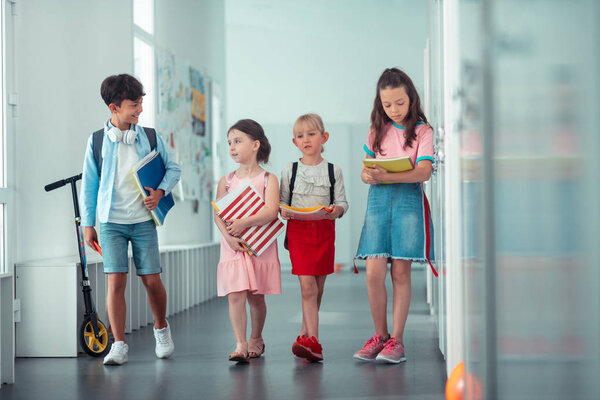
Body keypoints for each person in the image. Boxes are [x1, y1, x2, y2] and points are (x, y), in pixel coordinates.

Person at [80, 74, 181, 365]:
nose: (139, 110)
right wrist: (89, 224)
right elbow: (90, 184)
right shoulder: (97, 141)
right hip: (111, 221)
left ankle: (161, 329)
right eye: (133, 105)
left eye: (140, 103)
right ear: (114, 108)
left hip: (143, 220)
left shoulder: (149, 136)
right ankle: (119, 344)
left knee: (151, 280)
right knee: (116, 283)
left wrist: (160, 192)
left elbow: (173, 168)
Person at [353, 68, 436, 364]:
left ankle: (397, 342)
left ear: (411, 99)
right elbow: (365, 172)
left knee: (400, 273)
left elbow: (424, 171)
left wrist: (388, 175)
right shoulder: (376, 130)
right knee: (374, 274)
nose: (394, 110)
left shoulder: (423, 131)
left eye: (400, 103)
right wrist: (369, 176)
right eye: (388, 105)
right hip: (377, 203)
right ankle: (381, 336)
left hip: (407, 202)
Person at [280, 113, 348, 362]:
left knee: (317, 289)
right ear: (294, 141)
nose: (305, 139)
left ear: (324, 137)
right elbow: (282, 204)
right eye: (300, 136)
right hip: (299, 232)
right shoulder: (290, 169)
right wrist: (284, 211)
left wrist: (335, 211)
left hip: (324, 231)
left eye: (311, 134)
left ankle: (304, 335)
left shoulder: (333, 171)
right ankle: (315, 343)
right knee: (307, 287)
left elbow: (342, 203)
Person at [214, 119, 281, 362]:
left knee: (256, 295)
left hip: (258, 245)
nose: (232, 147)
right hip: (233, 245)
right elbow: (218, 213)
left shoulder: (268, 179)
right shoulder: (227, 180)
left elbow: (271, 212)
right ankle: (240, 343)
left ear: (255, 145)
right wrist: (229, 239)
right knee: (235, 294)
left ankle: (256, 338)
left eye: (238, 141)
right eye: (230, 142)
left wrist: (244, 223)